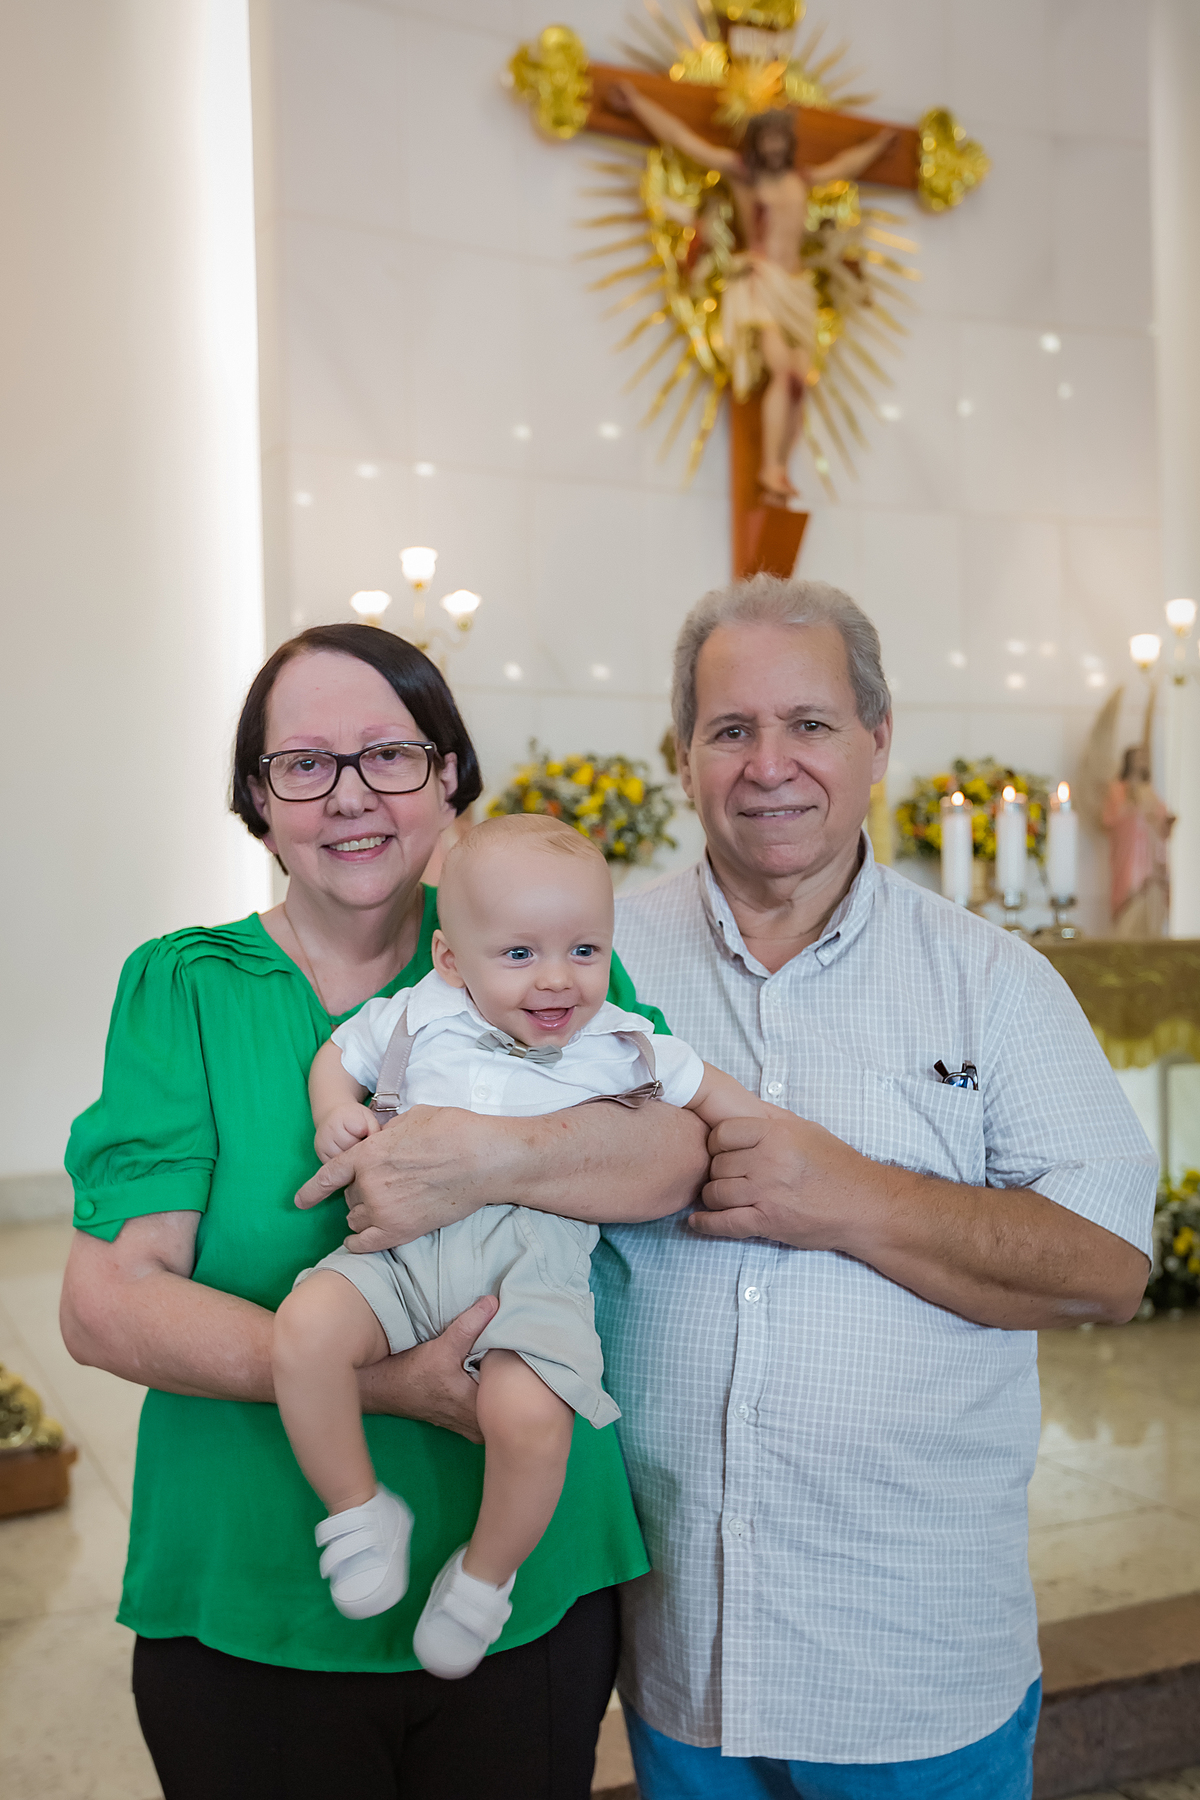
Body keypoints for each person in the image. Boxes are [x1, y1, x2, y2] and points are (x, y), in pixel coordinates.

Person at [307, 580, 1157, 1799]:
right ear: (682, 755)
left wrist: (852, 1196)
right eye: (730, 730)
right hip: (684, 1665)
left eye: (810, 724)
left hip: (914, 1663)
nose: (769, 765)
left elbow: (1109, 1270)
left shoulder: (994, 983)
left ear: (877, 738)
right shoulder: (587, 960)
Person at [59, 624, 706, 1800]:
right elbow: (106, 1304)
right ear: (258, 802)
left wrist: (482, 1158)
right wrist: (391, 1383)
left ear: (448, 775)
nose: (350, 795)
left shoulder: (538, 958)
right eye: (304, 764)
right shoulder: (186, 985)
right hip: (255, 1588)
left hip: (529, 1592)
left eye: (391, 755)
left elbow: (668, 1157)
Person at [274, 814, 766, 1677]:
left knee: (531, 1416)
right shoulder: (417, 1015)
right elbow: (336, 1058)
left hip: (531, 1262)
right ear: (450, 958)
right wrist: (333, 1114)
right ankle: (357, 1506)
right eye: (518, 954)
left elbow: (723, 1105)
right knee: (305, 1332)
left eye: (585, 950)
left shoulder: (621, 1040)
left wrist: (762, 1143)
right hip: (401, 1246)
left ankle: (483, 1577)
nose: (557, 979)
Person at [609, 82, 894, 501]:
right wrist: (637, 102)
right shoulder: (743, 175)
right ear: (756, 141)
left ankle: (780, 468)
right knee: (781, 369)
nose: (775, 145)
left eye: (781, 137)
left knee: (799, 381)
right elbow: (681, 139)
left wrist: (880, 145)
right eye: (767, 137)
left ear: (789, 142)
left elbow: (845, 165)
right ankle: (770, 470)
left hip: (796, 289)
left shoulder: (803, 180)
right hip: (760, 281)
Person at [1102, 743, 1172, 937]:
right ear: (1129, 761)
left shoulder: (1150, 791)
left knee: (1152, 900)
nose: (1143, 761)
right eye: (1139, 757)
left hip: (1150, 861)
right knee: (1129, 912)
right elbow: (1109, 819)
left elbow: (1161, 820)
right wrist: (1133, 808)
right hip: (1129, 858)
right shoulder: (1118, 789)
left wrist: (1165, 822)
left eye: (1144, 758)